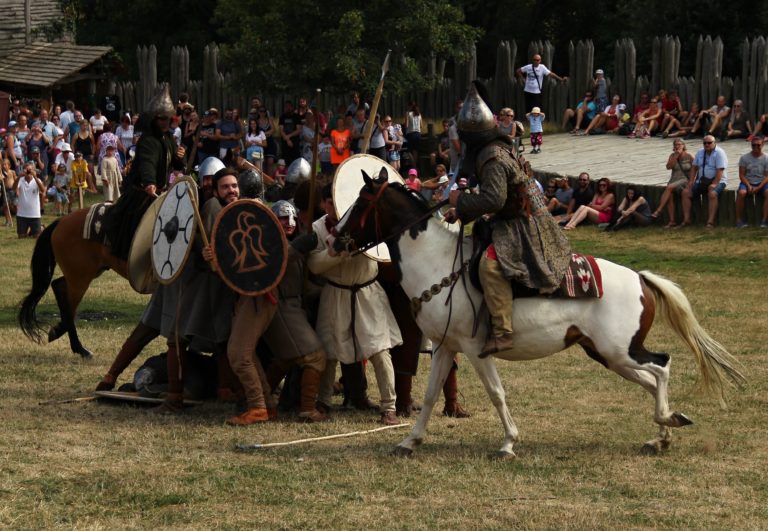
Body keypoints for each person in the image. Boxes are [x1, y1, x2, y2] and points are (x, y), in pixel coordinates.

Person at [445, 81, 571, 356]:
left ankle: (503, 332)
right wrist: (462, 210)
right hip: (514, 216)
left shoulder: (491, 157)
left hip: (522, 224)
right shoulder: (499, 148)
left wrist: (460, 200)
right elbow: (494, 196)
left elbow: (494, 200)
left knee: (489, 267)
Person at [308, 184, 402, 425]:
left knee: (379, 349)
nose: (333, 206)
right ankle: (324, 401)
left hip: (367, 291)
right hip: (336, 293)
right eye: (329, 202)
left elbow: (384, 247)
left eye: (336, 201)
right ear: (323, 204)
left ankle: (389, 406)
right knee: (329, 351)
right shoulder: (318, 228)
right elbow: (314, 266)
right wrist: (336, 253)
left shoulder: (364, 222)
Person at [198, 168, 277, 424]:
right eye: (225, 187)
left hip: (260, 292)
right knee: (246, 353)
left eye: (234, 186)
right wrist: (212, 257)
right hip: (242, 295)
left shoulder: (255, 212)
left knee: (238, 355)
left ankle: (258, 407)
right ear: (216, 192)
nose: (231, 190)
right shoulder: (223, 220)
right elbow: (231, 264)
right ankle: (267, 404)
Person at [262, 200, 329, 422]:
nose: (288, 222)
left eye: (291, 217)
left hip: (293, 306)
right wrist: (300, 246)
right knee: (315, 356)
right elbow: (279, 261)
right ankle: (308, 409)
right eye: (282, 218)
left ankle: (258, 399)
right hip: (279, 307)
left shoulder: (291, 243)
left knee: (286, 357)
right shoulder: (268, 243)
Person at [102, 85, 186, 261]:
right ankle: (130, 257)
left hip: (161, 191)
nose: (164, 122)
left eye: (167, 119)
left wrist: (180, 157)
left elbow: (174, 163)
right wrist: (149, 182)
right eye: (161, 119)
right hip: (142, 191)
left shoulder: (168, 138)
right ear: (154, 119)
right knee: (137, 227)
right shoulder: (148, 140)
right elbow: (148, 162)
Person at [679, 134, 728, 228]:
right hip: (702, 181)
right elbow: (694, 167)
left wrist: (715, 184)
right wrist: (691, 181)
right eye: (705, 143)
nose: (707, 145)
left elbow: (720, 170)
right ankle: (687, 220)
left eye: (709, 143)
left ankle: (710, 222)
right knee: (686, 192)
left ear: (714, 143)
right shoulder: (700, 152)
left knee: (712, 193)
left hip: (719, 180)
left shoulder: (720, 153)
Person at [652, 139, 694, 228]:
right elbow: (668, 167)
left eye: (679, 144)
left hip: (685, 179)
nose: (677, 146)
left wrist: (692, 181)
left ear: (683, 145)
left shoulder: (689, 156)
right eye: (676, 144)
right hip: (674, 179)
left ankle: (659, 210)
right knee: (669, 195)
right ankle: (672, 221)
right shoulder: (672, 155)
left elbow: (696, 168)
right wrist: (676, 156)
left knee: (669, 187)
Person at [735, 136, 768, 228]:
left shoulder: (766, 158)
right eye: (753, 145)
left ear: (763, 145)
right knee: (741, 193)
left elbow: (767, 176)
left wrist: (759, 187)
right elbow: (741, 175)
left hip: (762, 182)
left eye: (758, 145)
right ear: (751, 145)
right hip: (747, 181)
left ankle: (764, 220)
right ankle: (738, 220)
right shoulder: (744, 158)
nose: (756, 147)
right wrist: (749, 186)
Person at [13, 161, 45, 238]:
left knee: (37, 236)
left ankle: (41, 228)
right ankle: (31, 231)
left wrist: (35, 177)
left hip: (34, 214)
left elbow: (43, 190)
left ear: (34, 170)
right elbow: (14, 188)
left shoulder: (37, 180)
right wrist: (18, 177)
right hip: (22, 214)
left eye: (30, 169)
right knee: (21, 237)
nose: (28, 171)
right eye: (26, 169)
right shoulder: (21, 180)